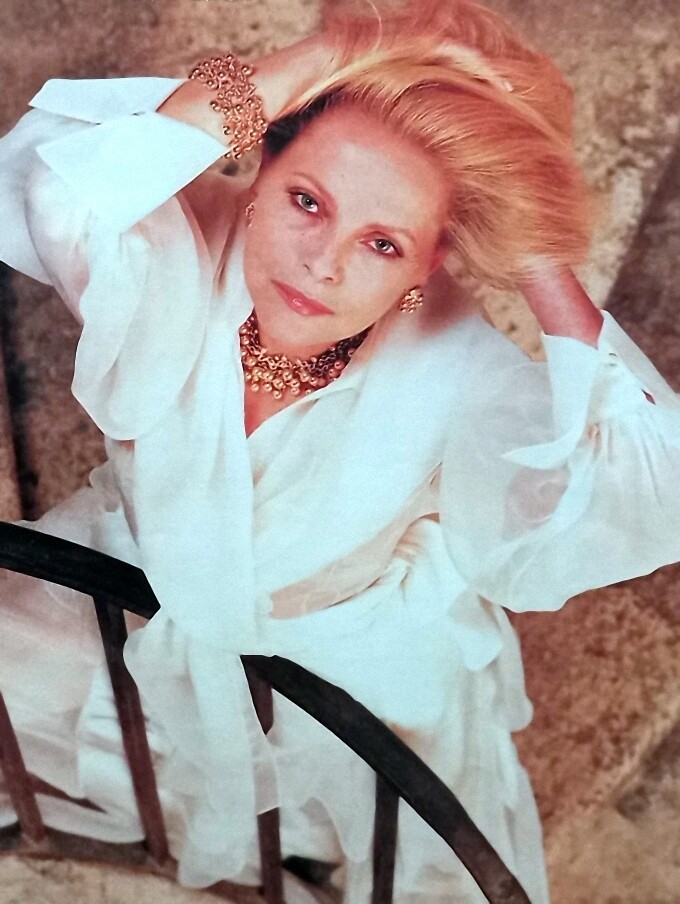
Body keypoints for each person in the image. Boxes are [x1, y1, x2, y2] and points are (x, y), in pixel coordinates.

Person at [0, 0, 679, 901]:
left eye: (384, 243)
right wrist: (342, 51)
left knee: (378, 836)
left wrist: (532, 244)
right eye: (307, 200)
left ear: (427, 267)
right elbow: (57, 183)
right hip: (136, 587)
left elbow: (656, 482)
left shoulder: (460, 370)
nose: (322, 264)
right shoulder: (180, 243)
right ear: (260, 165)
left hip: (343, 666)